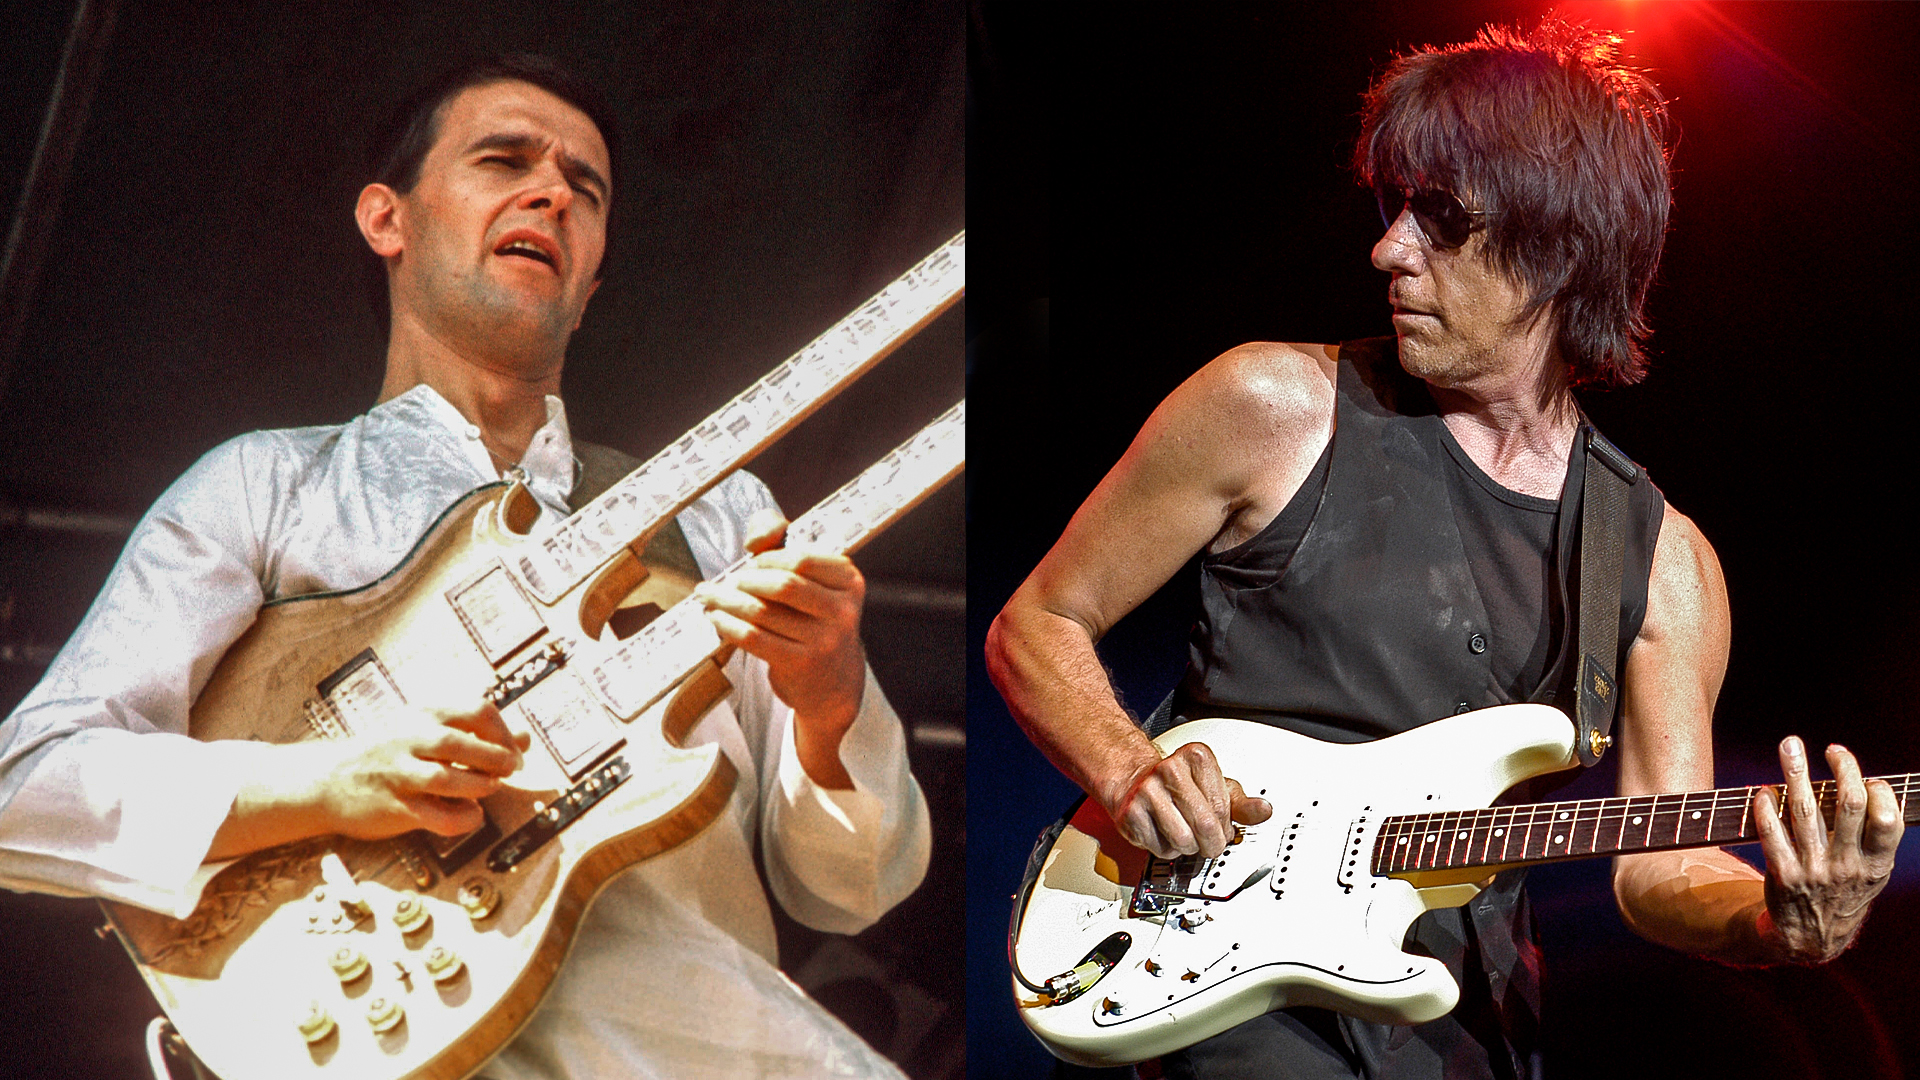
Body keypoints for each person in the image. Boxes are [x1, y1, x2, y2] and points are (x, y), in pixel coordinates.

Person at [986, 20, 1902, 1079]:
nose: (1389, 248)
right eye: (1395, 206)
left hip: (1456, 1033)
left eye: (1444, 218)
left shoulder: (1662, 563)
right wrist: (1127, 764)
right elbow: (1038, 621)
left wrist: (1781, 922)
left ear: (1561, 249)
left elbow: (1661, 866)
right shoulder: (1271, 405)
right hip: (1203, 990)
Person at [0, 54, 929, 1079]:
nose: (552, 194)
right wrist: (327, 782)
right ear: (386, 219)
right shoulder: (264, 487)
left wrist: (828, 705)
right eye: (505, 160)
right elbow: (26, 786)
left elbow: (847, 890)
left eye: (586, 188)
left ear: (592, 285)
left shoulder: (720, 517)